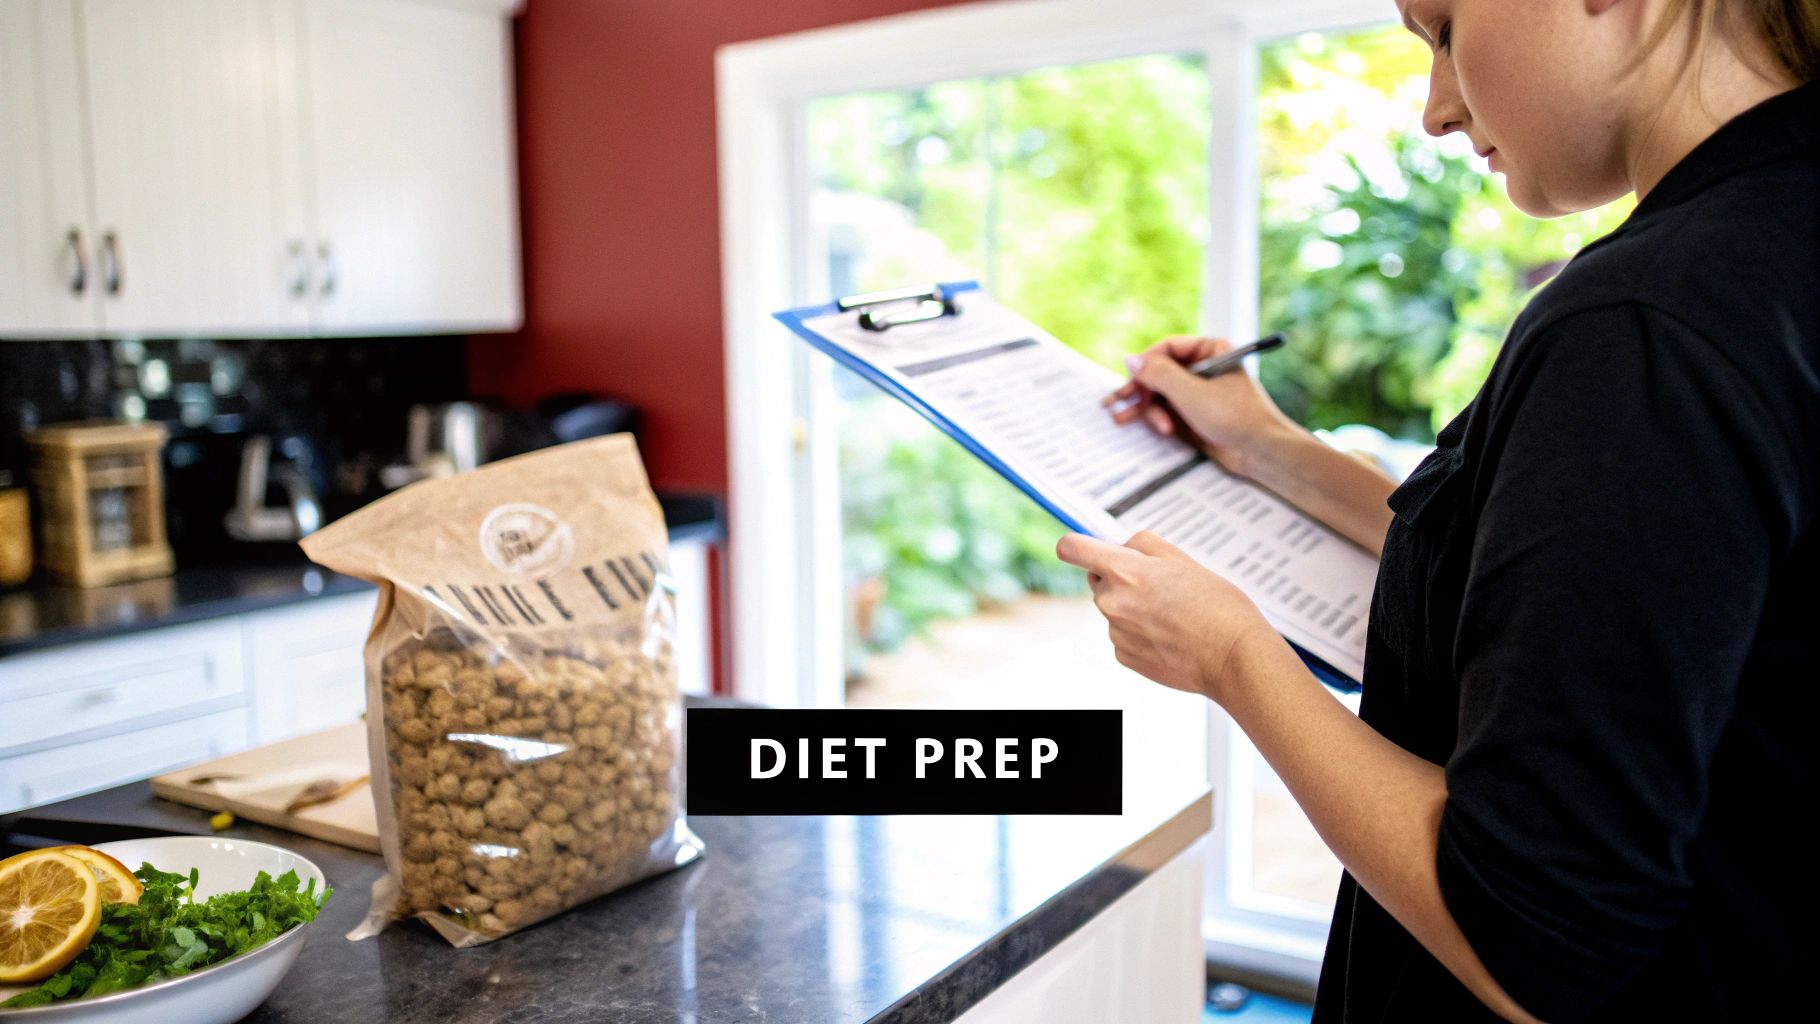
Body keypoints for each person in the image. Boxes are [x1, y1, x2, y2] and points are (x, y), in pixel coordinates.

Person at [1054, 1, 1818, 1020]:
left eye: (1445, 27)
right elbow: (1580, 577)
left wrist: (1231, 657)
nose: (1433, 109)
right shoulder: (1773, 247)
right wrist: (1267, 448)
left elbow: (1531, 934)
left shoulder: (1642, 322)